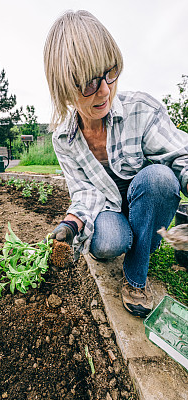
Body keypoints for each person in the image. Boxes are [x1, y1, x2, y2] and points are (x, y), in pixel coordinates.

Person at [43, 10, 188, 318]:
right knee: (107, 243)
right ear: (64, 88)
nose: (106, 91)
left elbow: (181, 155)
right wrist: (71, 225)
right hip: (108, 208)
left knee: (160, 179)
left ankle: (136, 276)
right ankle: (141, 237)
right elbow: (84, 193)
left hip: (145, 199)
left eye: (111, 73)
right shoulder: (64, 140)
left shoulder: (141, 110)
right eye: (89, 84)